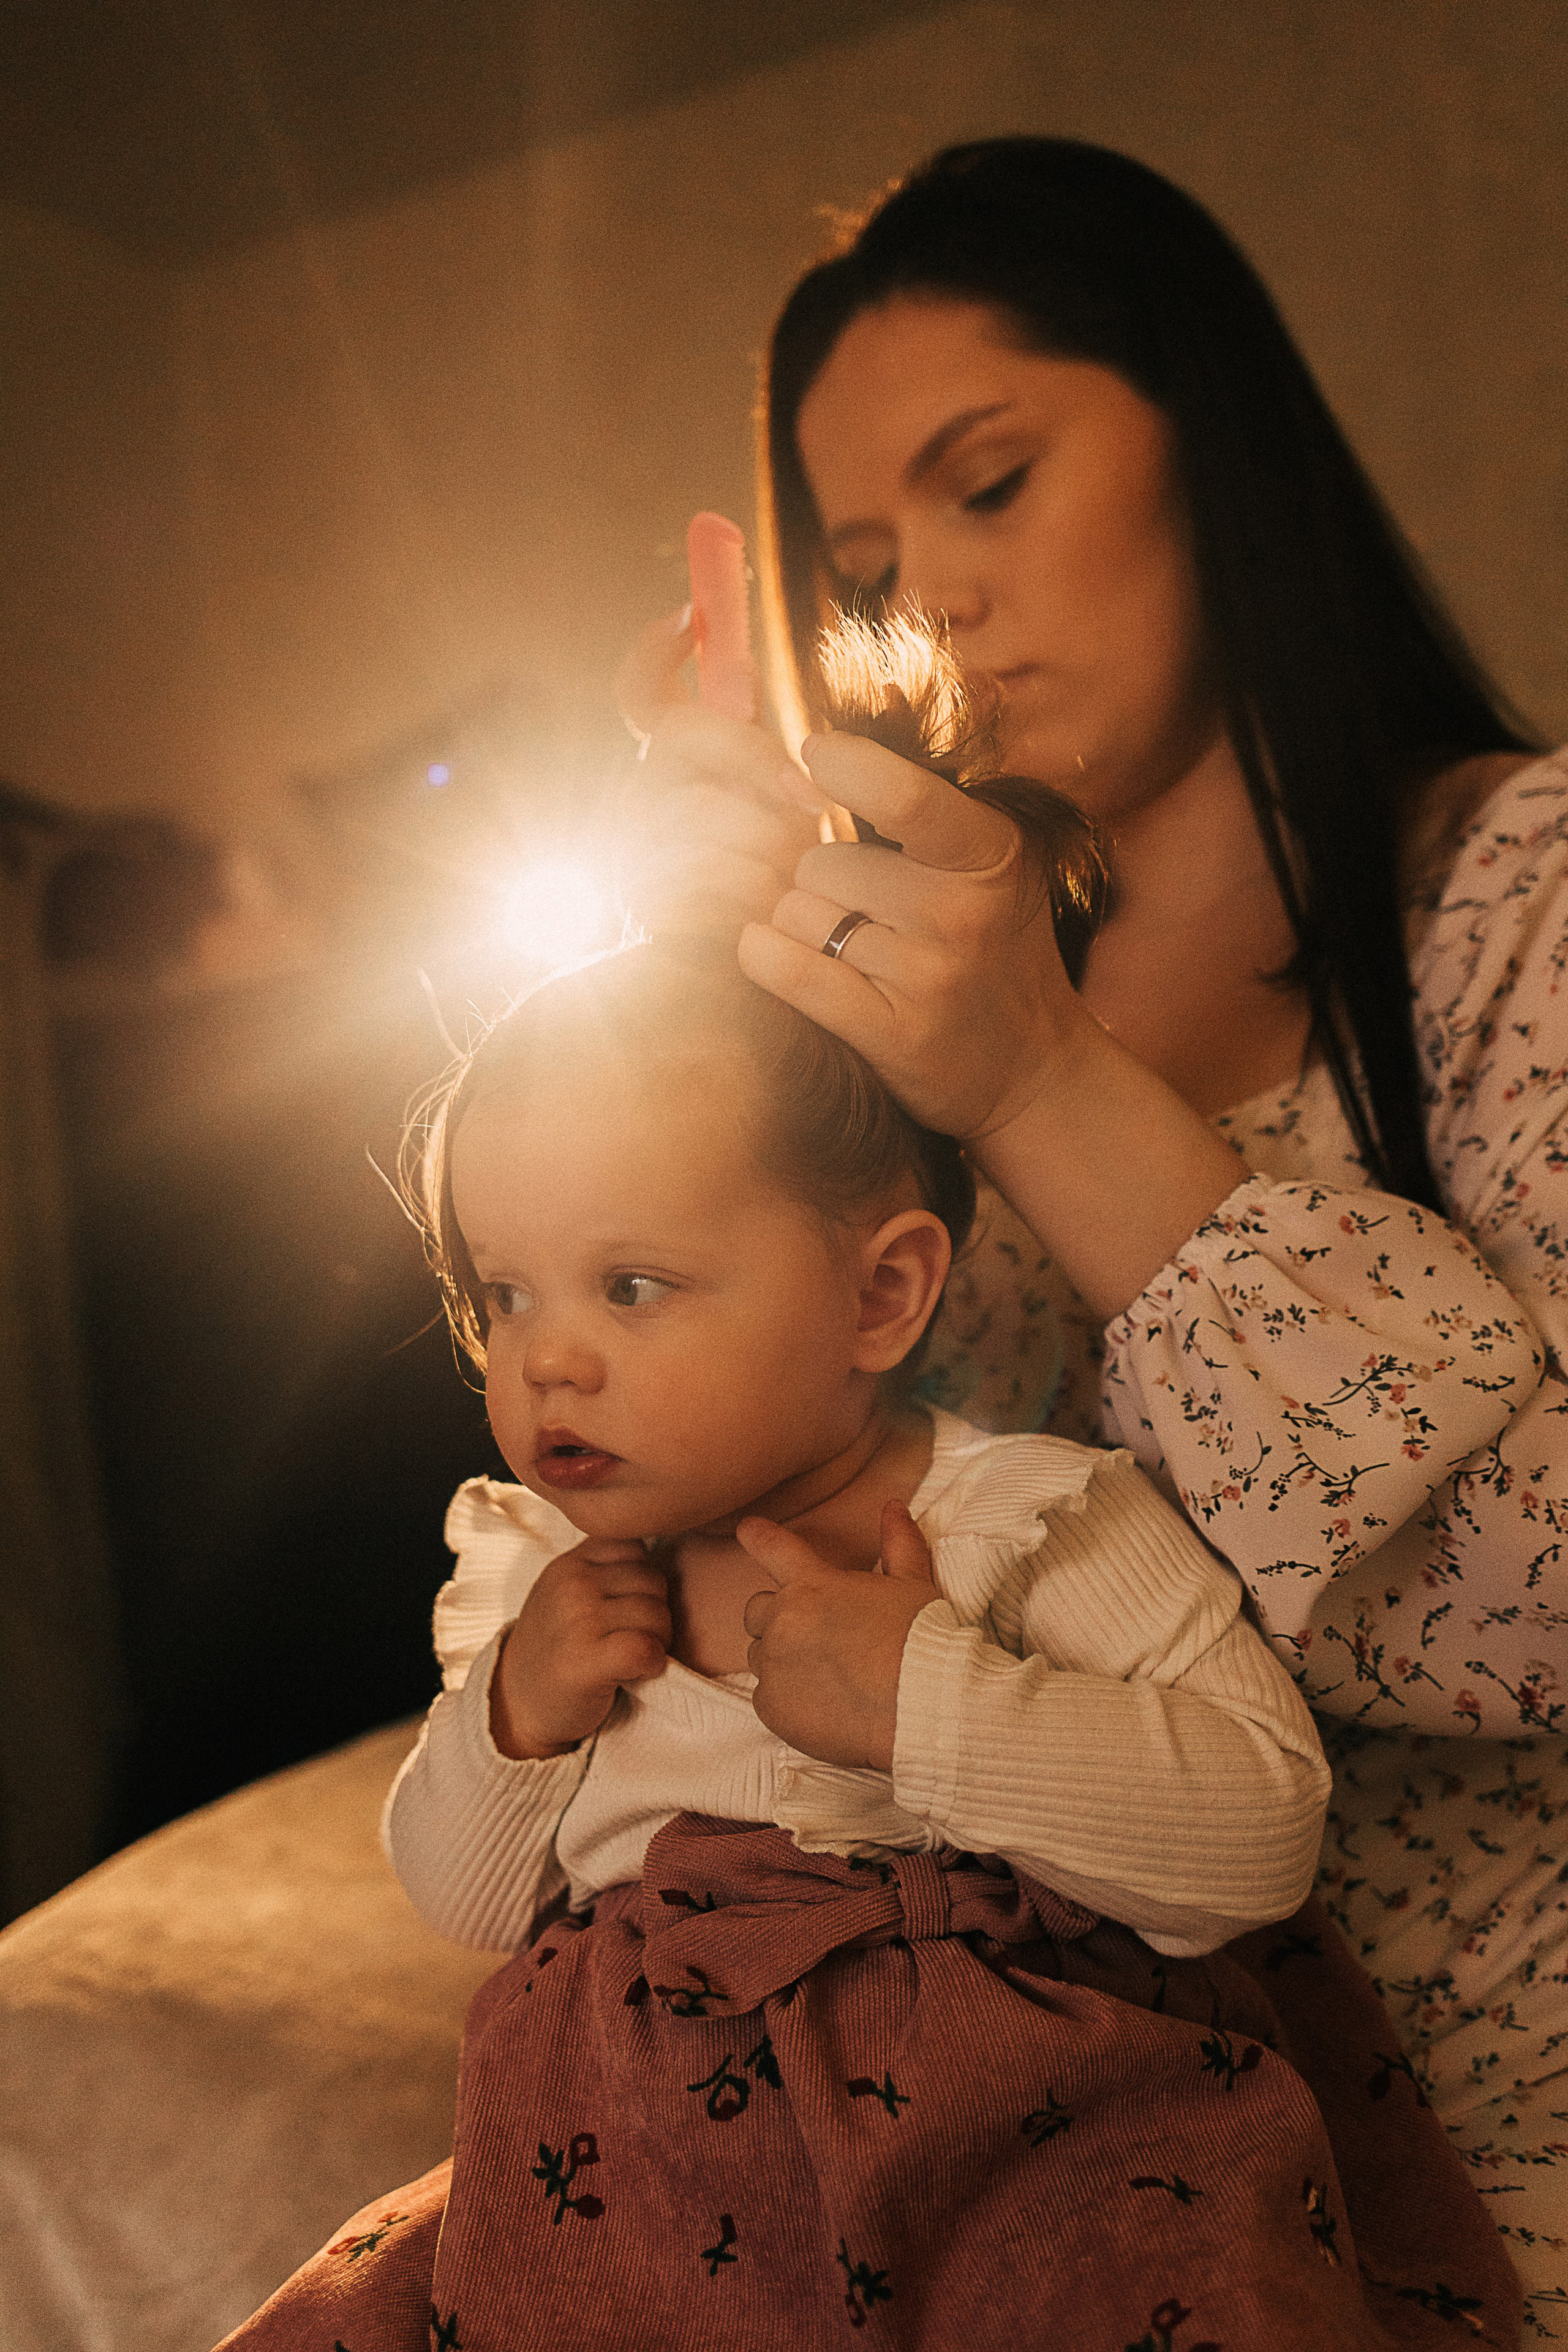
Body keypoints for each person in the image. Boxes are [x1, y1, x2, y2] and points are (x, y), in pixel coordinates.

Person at [616, 137, 1568, 2330]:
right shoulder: (881, 1025)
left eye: (993, 483)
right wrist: (692, 1048)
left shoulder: (1517, 893)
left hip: (1468, 2131)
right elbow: (689, 1537)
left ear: (1210, 439)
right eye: (867, 561)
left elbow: (1535, 1608)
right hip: (978, 2124)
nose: (930, 602)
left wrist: (1041, 1082)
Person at [217, 869, 1519, 2349]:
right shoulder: (544, 1576)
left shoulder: (1022, 1526)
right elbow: (462, 1904)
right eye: (503, 1293)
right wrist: (513, 1716)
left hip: (1008, 2155)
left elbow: (1257, 1837)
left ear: (879, 1295)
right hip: (639, 2185)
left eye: (629, 1286)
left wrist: (929, 1700)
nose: (546, 1361)